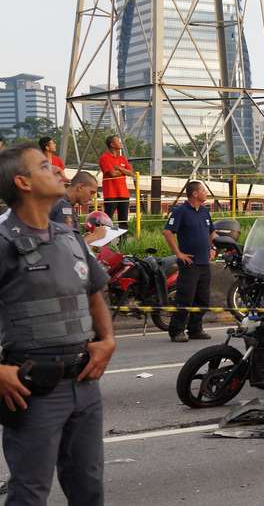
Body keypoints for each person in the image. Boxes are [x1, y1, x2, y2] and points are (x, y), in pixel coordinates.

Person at [0, 143, 115, 505]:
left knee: (88, 485)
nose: (59, 172)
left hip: (84, 383)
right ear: (23, 182)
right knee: (30, 492)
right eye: (46, 167)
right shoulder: (3, 242)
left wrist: (107, 339)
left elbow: (94, 291)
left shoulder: (69, 237)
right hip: (32, 389)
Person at [163, 181, 217, 342]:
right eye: (203, 190)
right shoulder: (181, 211)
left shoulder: (204, 212)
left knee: (203, 299)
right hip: (189, 263)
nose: (206, 193)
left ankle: (195, 329)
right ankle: (176, 330)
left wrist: (214, 248)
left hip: (204, 263)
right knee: (185, 298)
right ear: (195, 194)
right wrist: (178, 253)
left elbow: (212, 233)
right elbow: (167, 232)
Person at [50, 171, 107, 245]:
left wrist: (85, 238)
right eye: (91, 192)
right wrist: (94, 237)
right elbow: (68, 245)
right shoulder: (63, 206)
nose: (92, 197)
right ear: (80, 187)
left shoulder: (64, 202)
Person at [99, 135, 133, 231]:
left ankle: (123, 243)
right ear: (112, 144)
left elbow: (131, 173)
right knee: (108, 221)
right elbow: (112, 174)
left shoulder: (122, 158)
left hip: (124, 194)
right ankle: (105, 243)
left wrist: (120, 168)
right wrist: (124, 171)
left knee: (123, 221)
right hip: (111, 194)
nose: (120, 142)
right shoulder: (104, 158)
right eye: (118, 141)